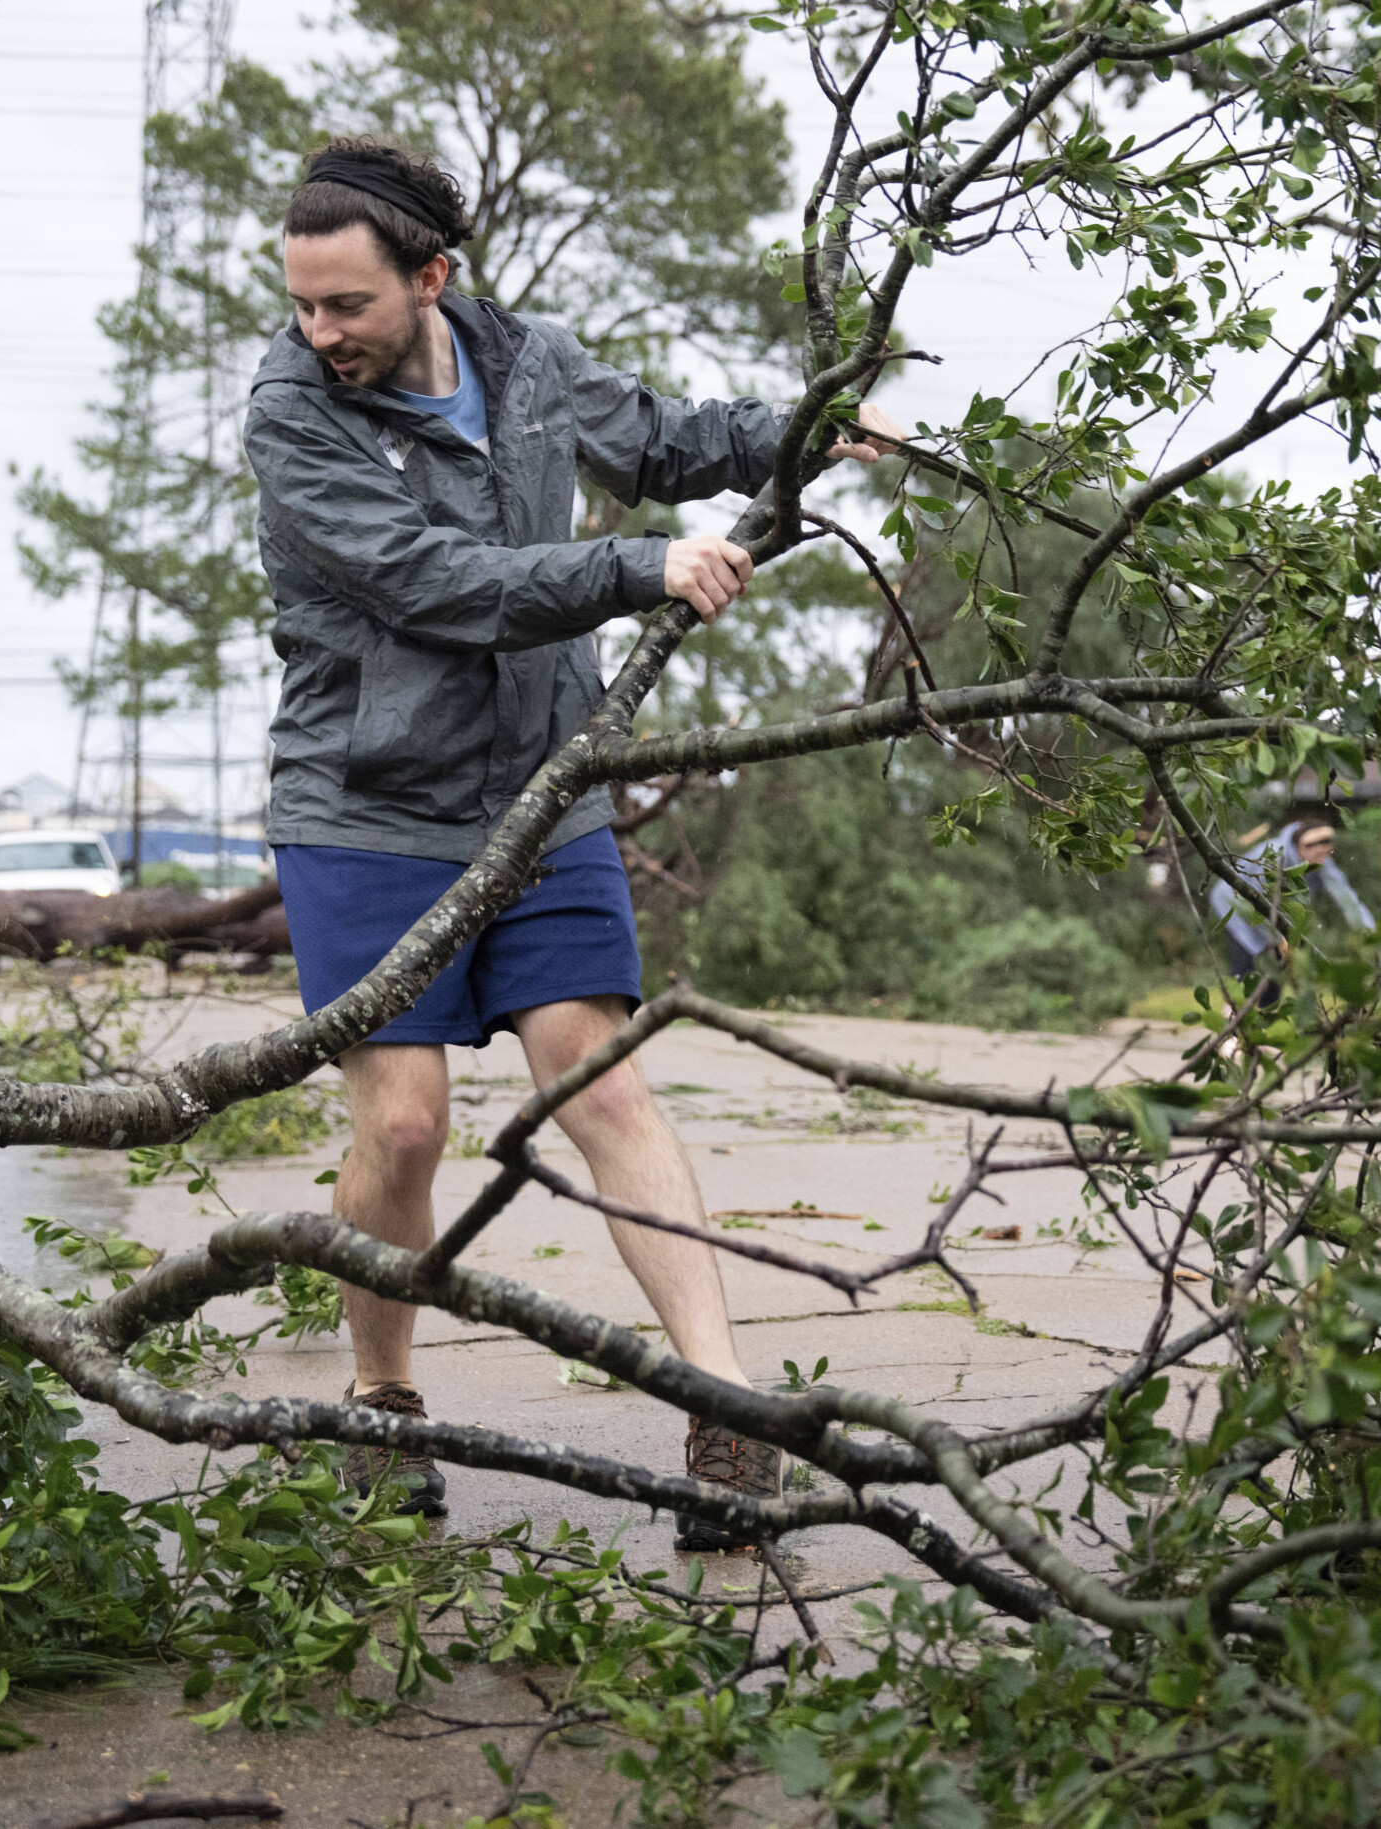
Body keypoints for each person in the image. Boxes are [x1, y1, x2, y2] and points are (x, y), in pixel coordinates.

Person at [246, 137, 904, 1543]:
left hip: (542, 788)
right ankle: (381, 1399)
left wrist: (802, 430)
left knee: (599, 1085)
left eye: (345, 305)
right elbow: (429, 584)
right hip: (364, 806)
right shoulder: (293, 414)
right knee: (406, 1121)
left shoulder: (529, 360)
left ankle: (725, 1408)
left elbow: (662, 437)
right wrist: (637, 565)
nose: (320, 333)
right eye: (302, 304)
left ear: (431, 278)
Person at [1207, 812, 1375, 983]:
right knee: (1247, 973)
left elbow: (1346, 897)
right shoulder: (1273, 856)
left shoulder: (1321, 861)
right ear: (1302, 847)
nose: (1323, 861)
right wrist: (1279, 937)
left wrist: (1369, 930)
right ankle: (1236, 1006)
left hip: (1275, 916)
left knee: (1276, 977)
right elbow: (1257, 901)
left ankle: (1268, 1006)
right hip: (1236, 904)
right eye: (1319, 855)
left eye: (1326, 855)